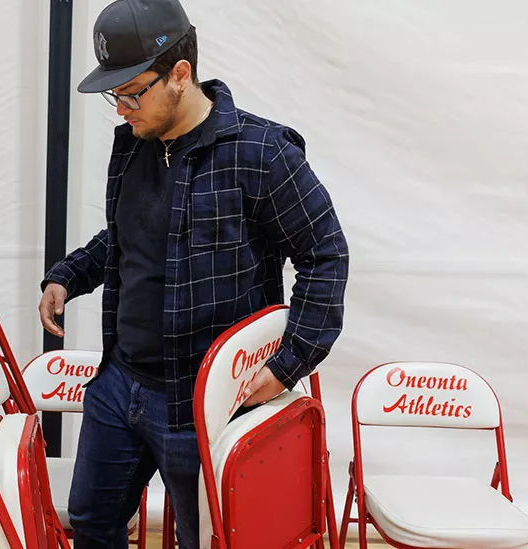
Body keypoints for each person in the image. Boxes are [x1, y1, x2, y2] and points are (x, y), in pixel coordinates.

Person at [37, 0, 350, 546]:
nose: (120, 110)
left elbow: (326, 254)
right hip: (118, 386)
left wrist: (289, 363)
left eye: (131, 93)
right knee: (90, 522)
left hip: (201, 401)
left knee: (206, 538)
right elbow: (129, 237)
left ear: (180, 74)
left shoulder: (260, 153)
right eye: (115, 95)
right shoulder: (135, 148)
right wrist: (69, 274)